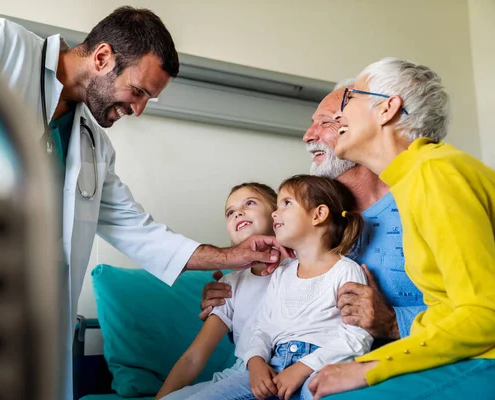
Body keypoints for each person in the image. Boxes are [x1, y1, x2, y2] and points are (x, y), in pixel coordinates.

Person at [0, 7, 284, 400]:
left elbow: (139, 231)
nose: (138, 109)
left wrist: (231, 256)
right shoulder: (2, 46)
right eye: (139, 91)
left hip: (23, 319)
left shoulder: (93, 146)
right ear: (102, 58)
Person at [308, 57, 495, 399]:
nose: (340, 116)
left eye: (350, 100)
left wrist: (372, 366)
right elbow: (447, 311)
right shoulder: (416, 177)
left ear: (387, 109)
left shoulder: (435, 172)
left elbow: (485, 313)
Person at [200, 83, 425, 343]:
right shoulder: (304, 231)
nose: (307, 135)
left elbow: (476, 309)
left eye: (327, 121)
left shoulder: (423, 203)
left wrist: (395, 323)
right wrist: (234, 300)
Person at [178, 175, 373, 400]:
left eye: (286, 204)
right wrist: (256, 360)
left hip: (318, 367)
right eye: (230, 212)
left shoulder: (346, 270)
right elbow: (263, 327)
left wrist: (302, 367)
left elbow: (356, 336)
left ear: (318, 214)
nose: (275, 214)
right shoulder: (280, 274)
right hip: (271, 366)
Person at [157, 182, 278, 400]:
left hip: (274, 372)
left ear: (278, 214)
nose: (238, 213)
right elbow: (193, 358)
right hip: (238, 373)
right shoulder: (229, 285)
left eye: (249, 203)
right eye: (230, 212)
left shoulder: (303, 268)